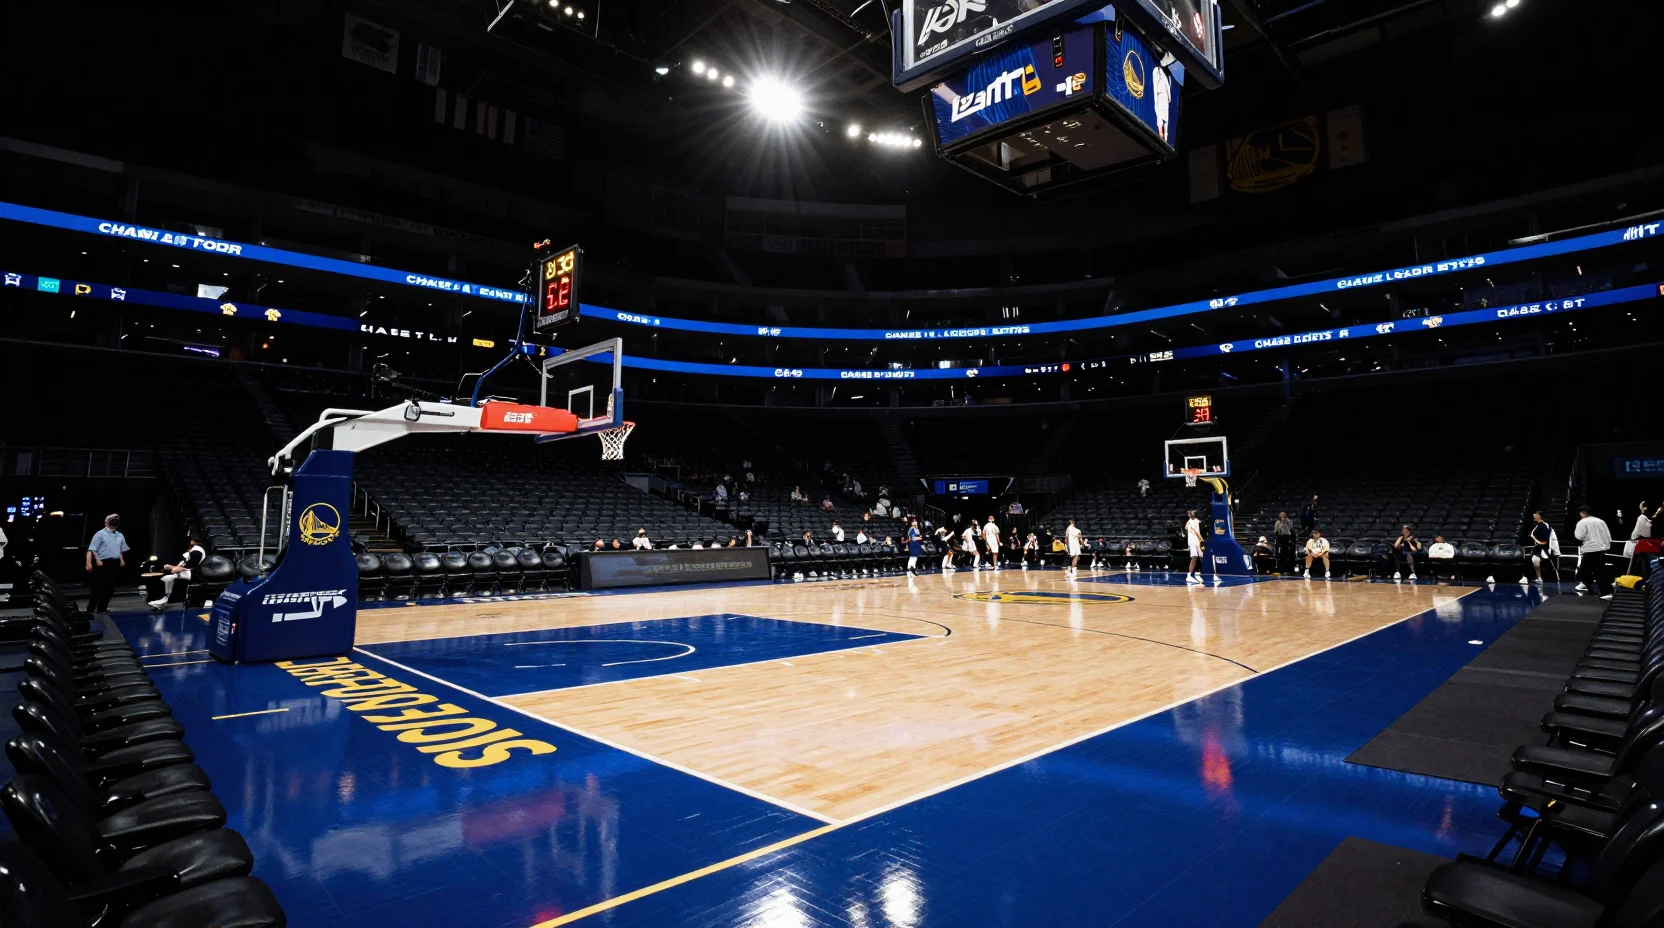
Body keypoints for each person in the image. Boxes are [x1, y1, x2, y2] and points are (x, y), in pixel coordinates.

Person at [85, 514, 129, 614]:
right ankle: (90, 609)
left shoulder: (120, 535)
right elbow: (92, 549)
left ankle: (102, 608)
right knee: (98, 587)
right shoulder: (100, 534)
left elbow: (121, 549)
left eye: (117, 519)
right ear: (107, 522)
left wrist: (121, 559)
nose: (115, 521)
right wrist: (96, 560)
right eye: (113, 519)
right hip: (102, 563)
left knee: (110, 587)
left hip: (114, 563)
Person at [148, 536, 206, 610]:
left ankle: (165, 599)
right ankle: (165, 598)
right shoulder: (191, 551)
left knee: (167, 578)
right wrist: (171, 567)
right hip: (188, 571)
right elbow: (184, 564)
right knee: (167, 576)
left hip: (195, 573)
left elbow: (192, 566)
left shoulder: (197, 551)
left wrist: (177, 569)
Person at [1573, 505, 1613, 597]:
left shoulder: (1582, 522)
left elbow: (1579, 536)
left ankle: (1605, 591)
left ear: (1582, 513)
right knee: (1593, 570)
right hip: (1600, 549)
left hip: (1590, 549)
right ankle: (1589, 586)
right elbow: (1608, 535)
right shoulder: (1601, 521)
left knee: (1595, 571)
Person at [1526, 512, 1554, 584]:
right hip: (1537, 547)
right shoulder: (1536, 525)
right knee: (1533, 560)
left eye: (1536, 515)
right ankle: (1537, 577)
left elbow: (1545, 541)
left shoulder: (1545, 525)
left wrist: (1534, 539)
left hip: (1543, 548)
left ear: (1540, 516)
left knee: (1536, 561)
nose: (1534, 516)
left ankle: (1539, 578)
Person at [1183, 509, 1205, 584]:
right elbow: (1196, 531)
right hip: (1192, 541)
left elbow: (1186, 528)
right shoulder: (1190, 521)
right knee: (1194, 557)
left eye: (1192, 513)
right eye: (1190, 513)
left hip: (1196, 541)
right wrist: (1201, 539)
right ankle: (1189, 576)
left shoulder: (1195, 520)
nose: (1191, 514)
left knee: (1201, 556)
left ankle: (1199, 573)